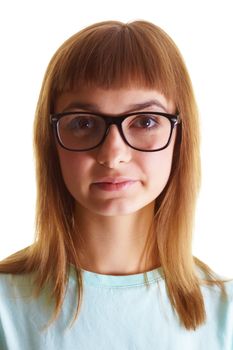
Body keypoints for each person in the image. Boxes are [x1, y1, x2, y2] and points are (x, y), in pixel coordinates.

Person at [0, 20, 232, 350]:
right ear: (50, 139)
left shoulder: (225, 314)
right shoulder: (5, 308)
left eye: (145, 121)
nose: (113, 154)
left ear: (181, 136)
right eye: (83, 123)